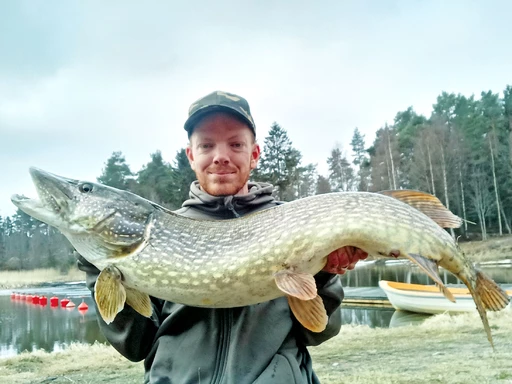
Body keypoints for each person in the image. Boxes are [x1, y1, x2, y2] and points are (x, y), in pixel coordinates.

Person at [77, 90, 367, 384]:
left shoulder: (295, 225)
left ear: (254, 154)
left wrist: (324, 274)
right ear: (191, 156)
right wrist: (97, 262)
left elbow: (318, 330)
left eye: (236, 144)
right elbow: (135, 345)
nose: (220, 157)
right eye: (206, 145)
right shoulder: (159, 233)